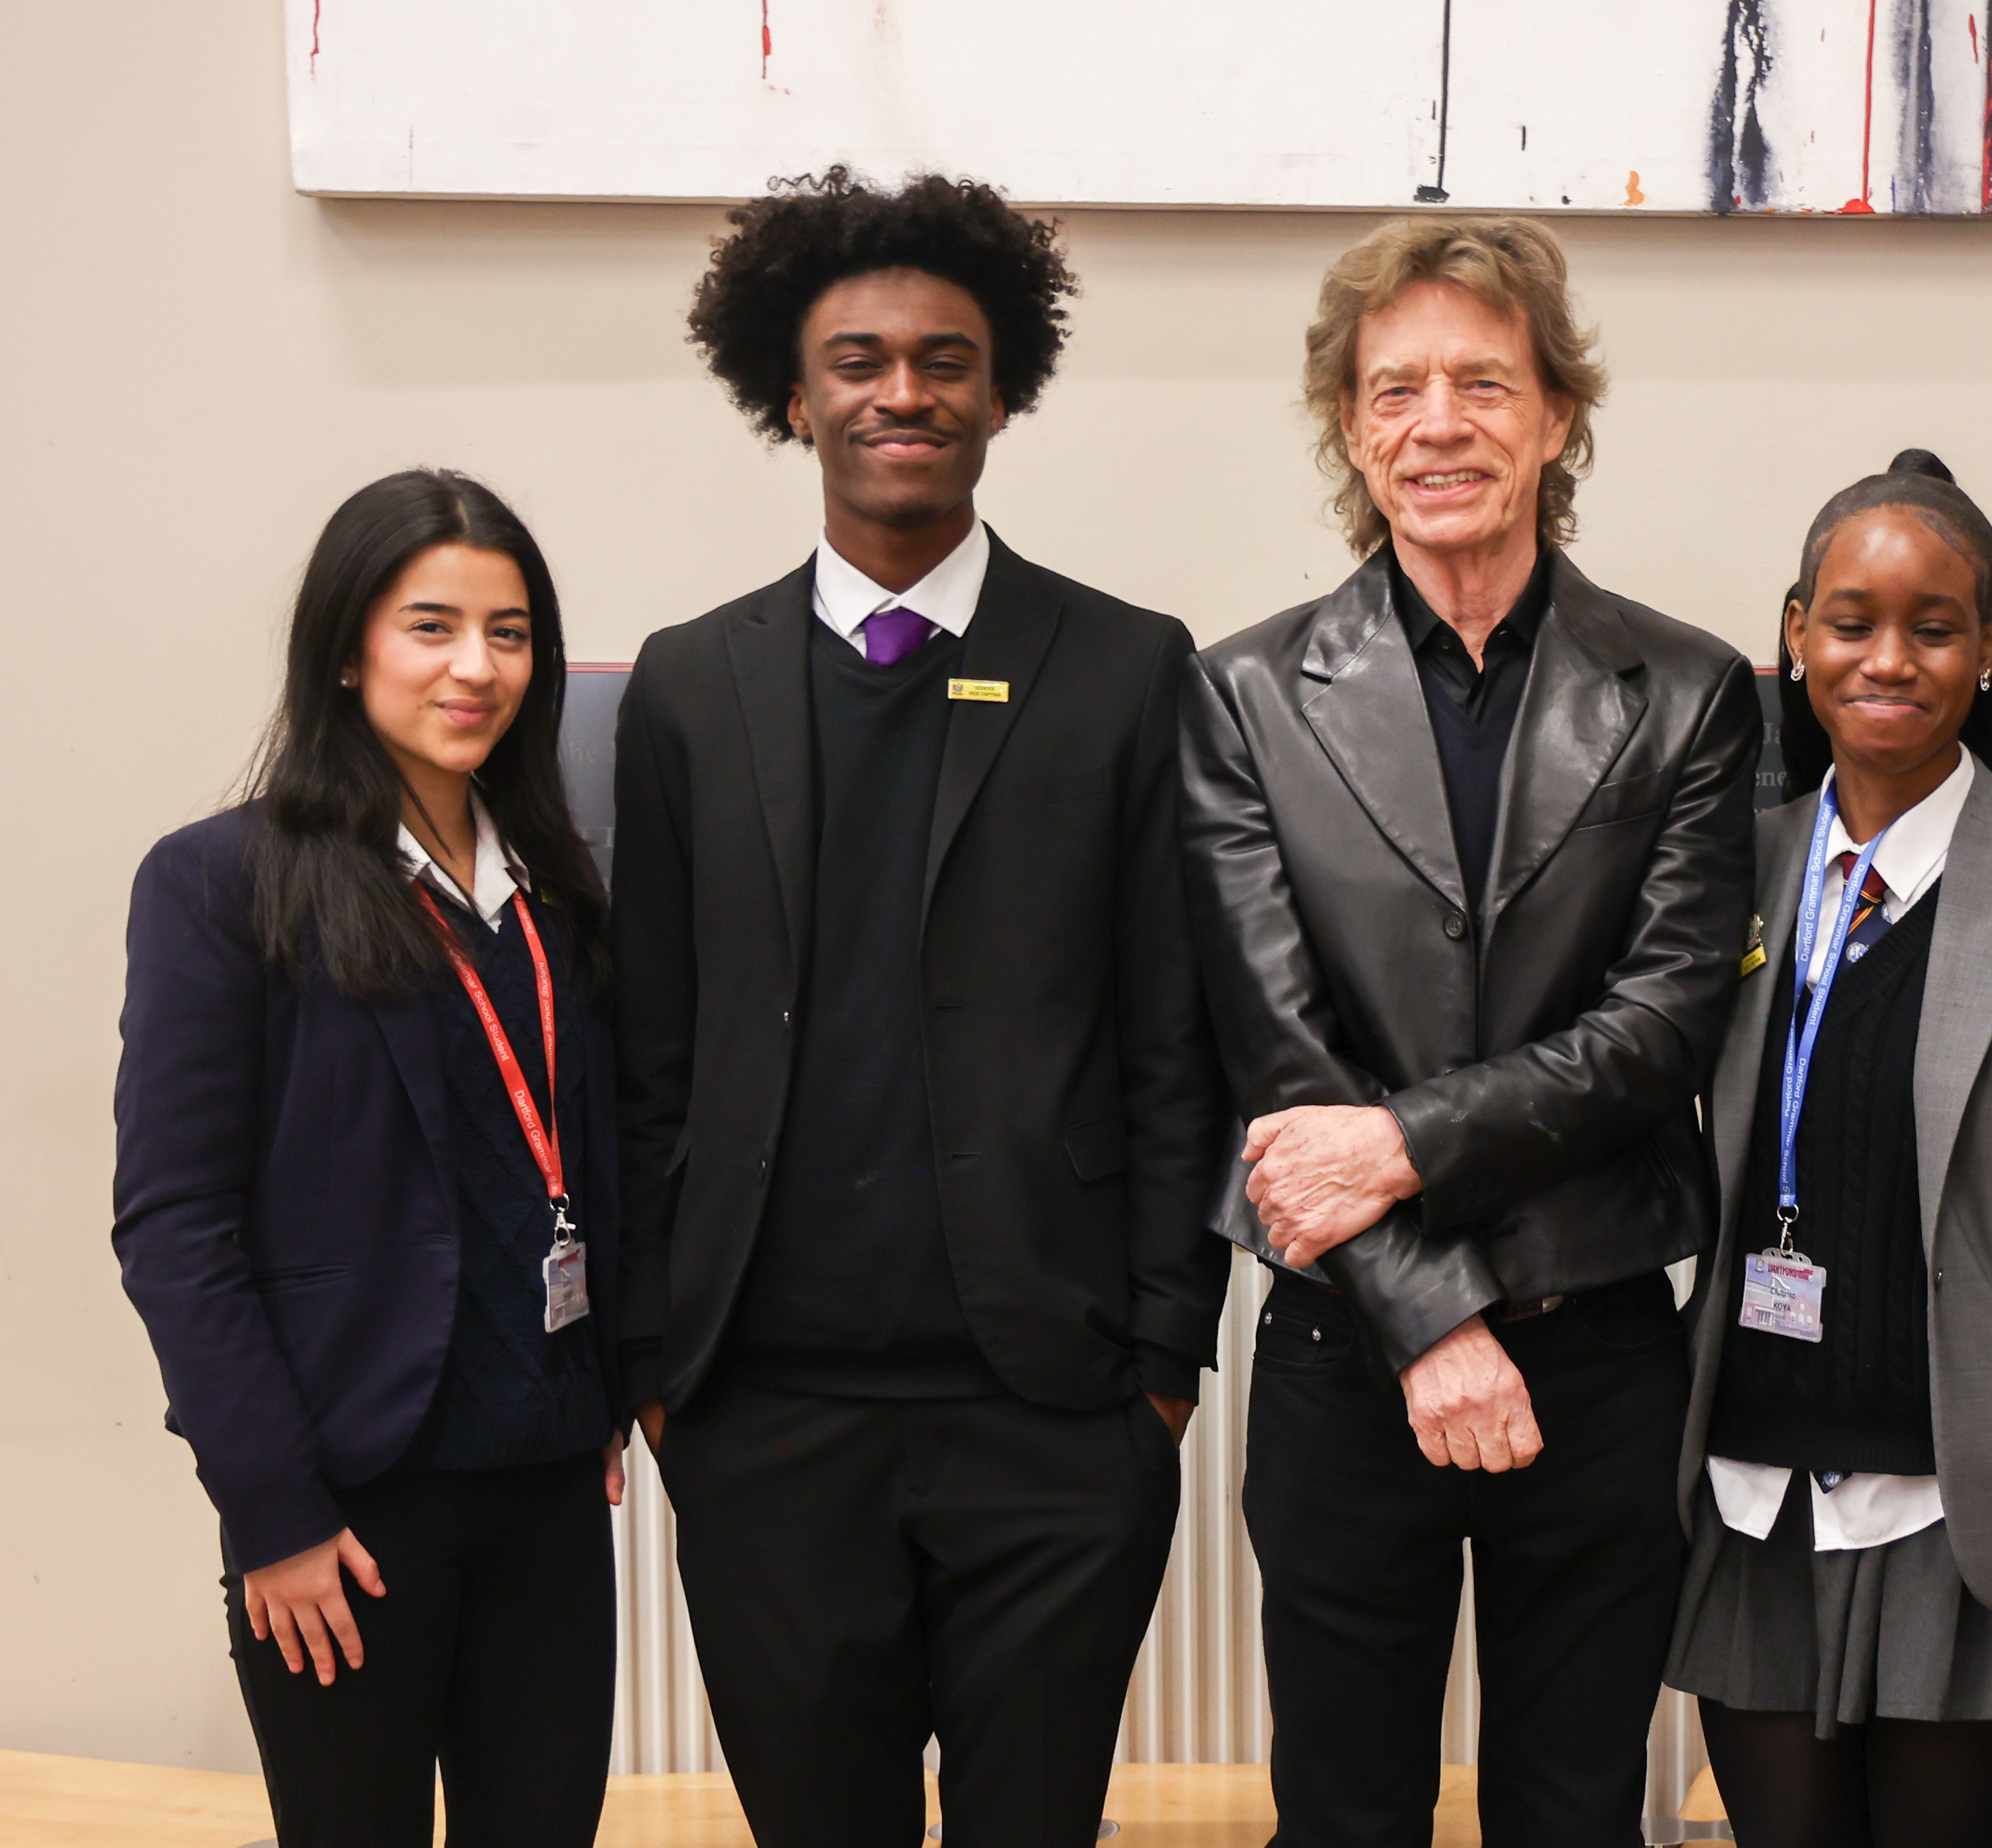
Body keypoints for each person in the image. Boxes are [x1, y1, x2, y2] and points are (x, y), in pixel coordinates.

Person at [613, 168, 1226, 1848]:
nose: (905, 393)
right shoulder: (689, 683)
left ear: (1004, 388)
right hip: (763, 1416)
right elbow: (648, 1047)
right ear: (791, 392)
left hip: (1054, 1414)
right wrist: (661, 1366)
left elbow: (1178, 1043)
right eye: (861, 359)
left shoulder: (1127, 668)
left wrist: (1164, 1362)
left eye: (945, 359)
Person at [1179, 215, 1760, 1847]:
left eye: (1483, 384)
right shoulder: (1245, 698)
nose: (1439, 424)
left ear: (1557, 416)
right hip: (1346, 1354)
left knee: (1577, 1810)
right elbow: (1275, 1051)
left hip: (1605, 1347)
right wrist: (1433, 1322)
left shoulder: (1693, 693)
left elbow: (1661, 1028)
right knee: (1343, 1809)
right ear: (1352, 429)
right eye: (1397, 390)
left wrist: (1407, 1141)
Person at [1663, 452, 1992, 1848]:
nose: (1888, 658)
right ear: (1796, 635)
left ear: (1990, 646)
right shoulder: (1727, 868)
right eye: (1851, 621)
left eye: (1935, 625)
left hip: (1970, 1514)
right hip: (1755, 1490)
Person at [112, 471, 627, 1846]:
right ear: (347, 649)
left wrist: (611, 1385)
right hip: (344, 1507)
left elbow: (592, 1157)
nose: (476, 668)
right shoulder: (222, 884)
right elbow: (175, 1230)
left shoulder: (558, 892)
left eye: (511, 633)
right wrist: (270, 1510)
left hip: (549, 1483)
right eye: (432, 627)